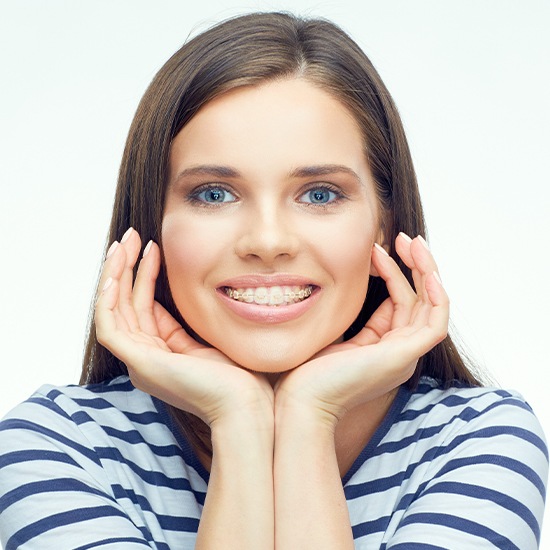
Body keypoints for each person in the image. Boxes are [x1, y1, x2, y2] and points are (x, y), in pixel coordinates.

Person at [0, 11, 547, 550]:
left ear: (384, 220)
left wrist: (309, 418)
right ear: (151, 224)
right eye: (214, 193)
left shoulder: (479, 440)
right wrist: (239, 422)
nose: (267, 240)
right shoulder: (57, 445)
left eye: (320, 194)